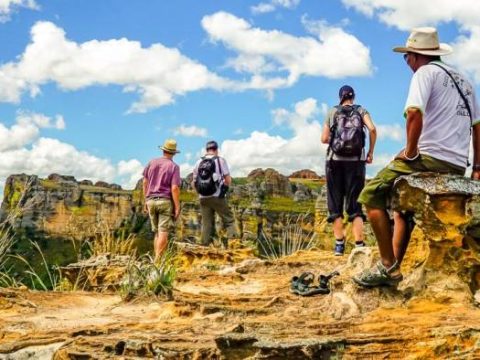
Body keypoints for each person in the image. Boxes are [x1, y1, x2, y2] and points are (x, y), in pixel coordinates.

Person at [353, 27, 480, 287]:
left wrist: (410, 152)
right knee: (400, 208)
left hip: (430, 157)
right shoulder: (464, 82)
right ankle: (394, 269)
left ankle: (387, 267)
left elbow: (414, 113)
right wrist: (477, 167)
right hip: (457, 164)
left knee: (371, 194)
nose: (407, 63)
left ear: (414, 55)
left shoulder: (424, 73)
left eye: (406, 57)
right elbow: (477, 127)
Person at [321, 85, 377, 256]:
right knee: (355, 205)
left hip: (334, 162)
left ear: (340, 97)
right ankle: (359, 245)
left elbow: (323, 139)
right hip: (356, 163)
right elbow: (373, 129)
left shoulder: (332, 112)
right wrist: (370, 152)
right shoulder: (361, 111)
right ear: (353, 97)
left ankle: (339, 245)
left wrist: (336, 139)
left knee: (335, 204)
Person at [192, 140, 237, 247]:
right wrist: (224, 189)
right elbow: (228, 179)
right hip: (217, 196)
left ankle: (204, 246)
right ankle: (235, 244)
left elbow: (193, 182)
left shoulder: (198, 162)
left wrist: (200, 193)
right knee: (229, 219)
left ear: (206, 150)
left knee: (206, 223)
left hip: (203, 198)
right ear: (216, 150)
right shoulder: (220, 160)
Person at [143, 139, 181, 261]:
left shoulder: (151, 162)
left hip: (150, 200)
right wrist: (177, 206)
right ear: (174, 153)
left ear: (163, 150)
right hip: (165, 201)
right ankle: (158, 262)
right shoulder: (174, 167)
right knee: (163, 232)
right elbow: (174, 188)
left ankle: (156, 260)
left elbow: (145, 182)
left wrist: (145, 200)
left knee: (157, 233)